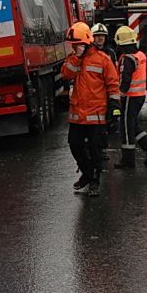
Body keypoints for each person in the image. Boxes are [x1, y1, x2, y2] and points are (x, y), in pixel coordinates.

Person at [61, 22, 120, 197]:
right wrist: (77, 57)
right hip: (77, 115)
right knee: (75, 146)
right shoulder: (73, 59)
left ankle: (94, 179)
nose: (74, 47)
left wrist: (114, 107)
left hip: (96, 114)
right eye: (73, 45)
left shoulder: (103, 59)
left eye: (77, 44)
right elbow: (66, 74)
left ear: (86, 42)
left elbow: (113, 84)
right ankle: (87, 173)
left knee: (95, 149)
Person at [112, 26, 147, 169]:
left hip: (130, 97)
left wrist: (118, 96)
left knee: (126, 128)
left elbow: (125, 81)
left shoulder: (127, 59)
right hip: (139, 96)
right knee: (133, 125)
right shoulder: (140, 55)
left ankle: (128, 160)